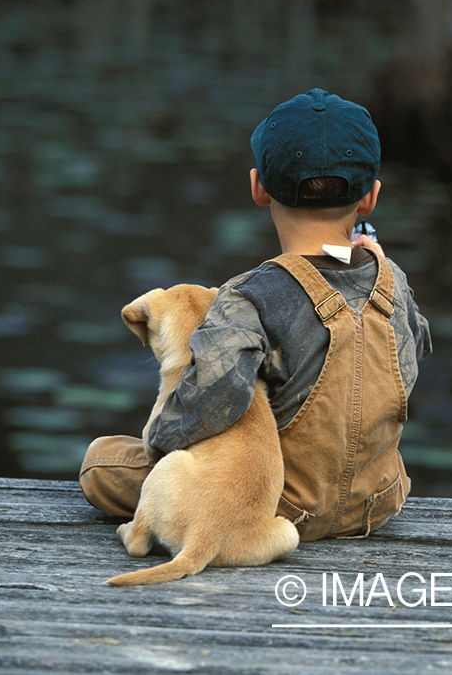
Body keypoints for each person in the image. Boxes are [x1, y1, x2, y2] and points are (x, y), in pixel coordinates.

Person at [79, 88, 431, 541]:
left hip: (276, 503)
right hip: (377, 499)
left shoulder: (249, 297)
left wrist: (161, 445)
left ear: (258, 188)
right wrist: (383, 263)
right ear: (370, 199)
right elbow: (414, 351)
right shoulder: (394, 281)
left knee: (102, 465)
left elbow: (213, 399)